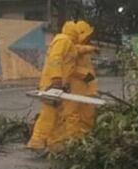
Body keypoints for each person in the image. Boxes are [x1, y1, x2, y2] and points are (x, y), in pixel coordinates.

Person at [26, 21, 79, 151]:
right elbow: (55, 59)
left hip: (58, 85)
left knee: (59, 115)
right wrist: (56, 79)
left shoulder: (67, 43)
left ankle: (55, 143)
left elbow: (71, 57)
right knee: (49, 114)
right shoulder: (63, 41)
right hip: (53, 84)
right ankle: (36, 141)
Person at [51, 20, 100, 145]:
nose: (89, 38)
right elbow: (73, 64)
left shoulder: (79, 48)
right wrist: (92, 48)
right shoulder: (72, 46)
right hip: (75, 88)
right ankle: (72, 141)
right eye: (87, 35)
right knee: (71, 115)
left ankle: (84, 139)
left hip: (86, 90)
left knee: (87, 116)